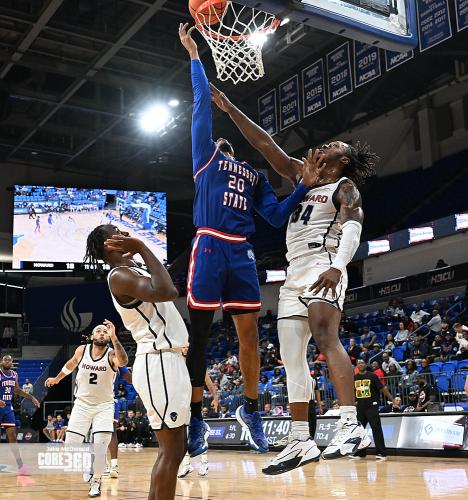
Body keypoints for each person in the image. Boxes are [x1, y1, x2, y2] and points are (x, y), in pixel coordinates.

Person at [210, 68, 379, 469]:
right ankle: (302, 440)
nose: (322, 146)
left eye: (331, 145)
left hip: (324, 266)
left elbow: (354, 223)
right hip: (292, 274)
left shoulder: (343, 187)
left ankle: (351, 425)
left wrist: (339, 266)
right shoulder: (303, 178)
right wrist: (229, 106)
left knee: (326, 338)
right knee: (291, 357)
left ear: (342, 161)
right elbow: (265, 143)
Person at [178, 23, 319, 458]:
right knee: (199, 338)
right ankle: (197, 420)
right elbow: (202, 105)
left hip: (241, 251)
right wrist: (194, 55)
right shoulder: (205, 159)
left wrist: (301, 187)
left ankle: (251, 410)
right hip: (209, 246)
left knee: (250, 338)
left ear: (233, 150)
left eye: (226, 142)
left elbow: (276, 217)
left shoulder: (254, 175)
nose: (221, 141)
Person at [85, 227, 190, 500]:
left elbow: (167, 273)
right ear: (109, 245)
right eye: (117, 232)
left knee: (173, 450)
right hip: (159, 360)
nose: (125, 232)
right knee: (173, 451)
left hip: (167, 359)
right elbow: (168, 291)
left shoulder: (134, 269)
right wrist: (142, 246)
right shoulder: (119, 276)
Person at [45, 321, 127, 497]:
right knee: (70, 446)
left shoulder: (112, 354)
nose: (102, 333)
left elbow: (123, 361)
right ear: (92, 336)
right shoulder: (82, 350)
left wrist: (114, 338)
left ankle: (96, 482)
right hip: (82, 404)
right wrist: (57, 379)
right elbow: (71, 363)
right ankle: (88, 467)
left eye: (105, 332)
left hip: (104, 406)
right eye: (99, 331)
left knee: (100, 445)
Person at [0, 354, 40, 475]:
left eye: (9, 360)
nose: (7, 361)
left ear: (12, 363)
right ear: (1, 362)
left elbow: (16, 390)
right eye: (5, 359)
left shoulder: (14, 374)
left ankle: (21, 467)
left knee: (12, 438)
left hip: (7, 409)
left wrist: (31, 397)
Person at [351, 359, 394, 460]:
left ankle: (381, 453)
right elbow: (353, 392)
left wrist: (392, 399)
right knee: (359, 431)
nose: (361, 364)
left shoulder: (372, 376)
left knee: (376, 429)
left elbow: (382, 388)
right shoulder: (354, 378)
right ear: (357, 366)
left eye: (362, 363)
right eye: (359, 363)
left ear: (365, 365)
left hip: (372, 406)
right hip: (360, 407)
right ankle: (360, 453)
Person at [178, 371, 218, 479]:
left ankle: (204, 464)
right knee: (184, 438)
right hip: (182, 406)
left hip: (194, 407)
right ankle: (186, 465)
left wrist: (215, 397)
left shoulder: (197, 364)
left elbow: (209, 383)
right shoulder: (177, 364)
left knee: (200, 437)